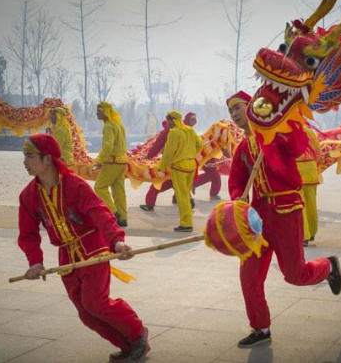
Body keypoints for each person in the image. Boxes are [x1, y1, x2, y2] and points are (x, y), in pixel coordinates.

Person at [17, 134, 149, 362]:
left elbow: (100, 213)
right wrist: (35, 262)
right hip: (66, 256)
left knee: (95, 302)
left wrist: (116, 241)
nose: (25, 162)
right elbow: (28, 234)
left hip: (93, 247)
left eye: (30, 156)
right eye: (24, 156)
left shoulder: (74, 185)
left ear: (47, 159)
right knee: (85, 314)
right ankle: (127, 345)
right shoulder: (28, 195)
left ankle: (137, 334)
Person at [227, 91, 341, 347]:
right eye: (231, 111)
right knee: (249, 276)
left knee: (294, 274)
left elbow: (299, 147)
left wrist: (287, 126)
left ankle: (328, 266)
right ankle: (261, 328)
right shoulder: (243, 148)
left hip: (287, 210)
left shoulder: (276, 135)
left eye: (238, 108)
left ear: (253, 108)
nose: (234, 115)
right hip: (258, 217)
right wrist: (239, 198)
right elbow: (236, 180)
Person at [157, 111, 203, 232]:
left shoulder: (174, 133)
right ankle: (187, 222)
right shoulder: (190, 130)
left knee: (181, 197)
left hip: (179, 168)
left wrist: (161, 167)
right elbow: (200, 144)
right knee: (186, 195)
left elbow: (168, 152)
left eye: (169, 121)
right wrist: (191, 153)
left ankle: (186, 224)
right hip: (191, 166)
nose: (168, 123)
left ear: (173, 120)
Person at [93, 102, 128, 227]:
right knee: (119, 191)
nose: (96, 113)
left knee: (99, 187)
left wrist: (99, 161)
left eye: (99, 111)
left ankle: (113, 213)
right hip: (122, 162)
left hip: (112, 162)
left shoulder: (108, 126)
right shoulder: (118, 124)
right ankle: (123, 219)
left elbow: (108, 145)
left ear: (105, 112)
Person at [296, 124, 321, 246]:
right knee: (311, 202)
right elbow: (318, 152)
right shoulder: (310, 132)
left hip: (296, 169)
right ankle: (312, 232)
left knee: (301, 204)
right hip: (311, 169)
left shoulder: (288, 131)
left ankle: (304, 236)